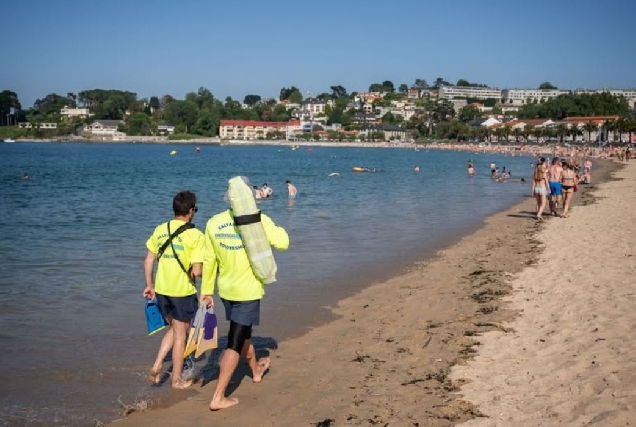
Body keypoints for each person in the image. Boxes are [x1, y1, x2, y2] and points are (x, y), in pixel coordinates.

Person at [201, 179, 289, 411]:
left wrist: (206, 291)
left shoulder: (214, 222)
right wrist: (272, 226)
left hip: (225, 290)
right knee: (234, 342)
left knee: (243, 333)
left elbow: (209, 259)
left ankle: (256, 371)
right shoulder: (259, 220)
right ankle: (218, 397)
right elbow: (284, 243)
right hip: (247, 291)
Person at [143, 191, 204, 389]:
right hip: (182, 291)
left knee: (176, 328)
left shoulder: (160, 229)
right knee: (180, 334)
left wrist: (149, 285)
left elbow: (148, 260)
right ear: (191, 211)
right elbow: (197, 271)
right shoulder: (196, 235)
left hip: (161, 290)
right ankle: (176, 379)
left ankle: (157, 364)